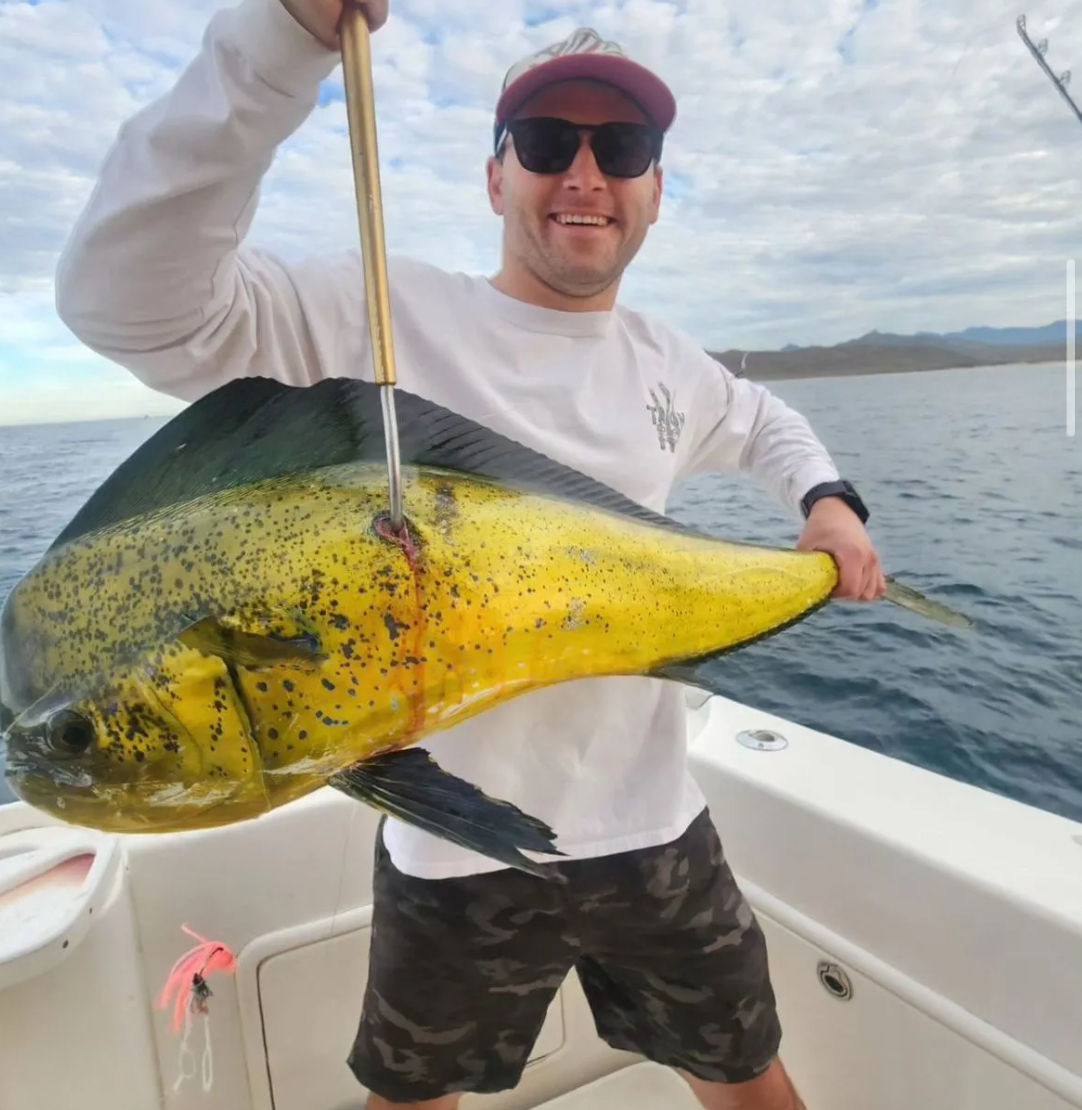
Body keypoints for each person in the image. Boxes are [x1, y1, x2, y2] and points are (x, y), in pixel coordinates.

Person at [55, 1, 886, 1106]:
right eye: (546, 144)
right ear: (496, 178)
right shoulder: (371, 319)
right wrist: (279, 40)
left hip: (653, 828)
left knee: (744, 1079)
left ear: (651, 191)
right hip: (449, 851)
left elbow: (765, 420)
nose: (583, 173)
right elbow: (130, 308)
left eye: (621, 149)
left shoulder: (668, 364)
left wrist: (827, 503)